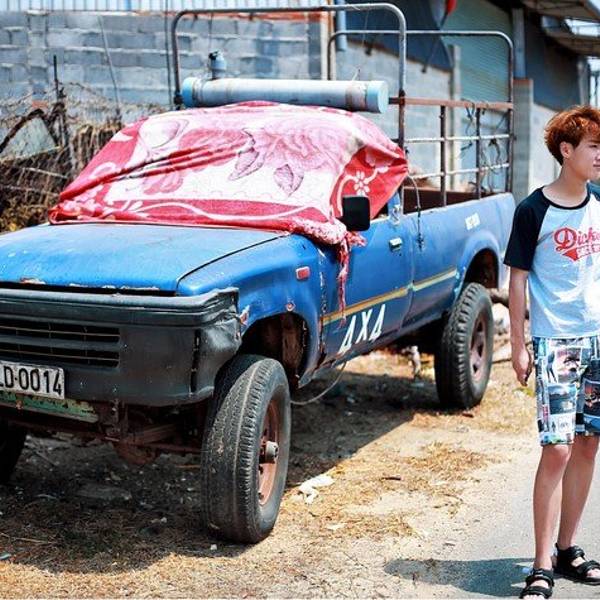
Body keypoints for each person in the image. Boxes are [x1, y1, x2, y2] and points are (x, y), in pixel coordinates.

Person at [505, 105, 600, 598]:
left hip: (597, 339)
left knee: (588, 444)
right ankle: (540, 563)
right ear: (567, 150)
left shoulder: (599, 203)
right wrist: (518, 346)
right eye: (594, 147)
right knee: (558, 448)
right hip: (555, 342)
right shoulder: (533, 210)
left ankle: (567, 549)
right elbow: (517, 281)